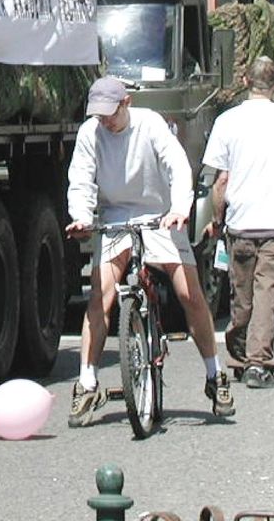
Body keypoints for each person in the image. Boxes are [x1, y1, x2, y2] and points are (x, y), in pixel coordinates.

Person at [66, 75, 234, 426]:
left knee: (190, 293)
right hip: (114, 216)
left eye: (110, 113)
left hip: (160, 214)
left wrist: (178, 209)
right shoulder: (89, 134)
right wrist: (81, 218)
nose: (105, 120)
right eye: (98, 114)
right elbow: (81, 179)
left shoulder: (150, 124)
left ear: (126, 103)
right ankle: (87, 382)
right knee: (101, 296)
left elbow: (177, 166)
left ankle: (214, 375)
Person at [202, 56, 274, 388]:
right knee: (268, 293)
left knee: (242, 294)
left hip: (240, 221)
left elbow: (219, 182)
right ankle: (257, 364)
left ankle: (241, 355)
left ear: (246, 82)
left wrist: (217, 221)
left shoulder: (227, 121)